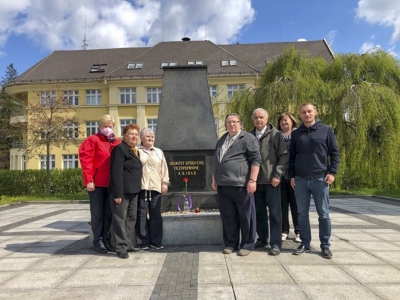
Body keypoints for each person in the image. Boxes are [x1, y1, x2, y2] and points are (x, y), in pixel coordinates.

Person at [289, 103, 340, 259]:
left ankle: (325, 245)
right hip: (301, 179)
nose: (307, 114)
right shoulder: (296, 134)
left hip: (320, 178)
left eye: (309, 111)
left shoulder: (326, 130)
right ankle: (305, 243)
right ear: (300, 115)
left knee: (323, 214)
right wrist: (292, 175)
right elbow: (292, 157)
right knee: (302, 214)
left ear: (315, 112)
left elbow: (335, 153)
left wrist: (332, 172)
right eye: (303, 112)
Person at [212, 113, 261, 256]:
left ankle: (247, 244)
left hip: (241, 185)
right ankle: (230, 243)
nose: (231, 124)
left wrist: (252, 180)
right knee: (228, 217)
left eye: (234, 122)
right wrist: (214, 178)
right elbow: (217, 160)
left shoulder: (247, 138)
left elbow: (256, 160)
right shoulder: (222, 140)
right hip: (223, 185)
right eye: (228, 122)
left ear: (241, 124)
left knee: (246, 216)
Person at [79, 114, 120, 254]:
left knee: (108, 213)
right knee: (97, 214)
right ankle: (98, 241)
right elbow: (86, 161)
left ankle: (107, 239)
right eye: (105, 126)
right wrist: (89, 179)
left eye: (110, 126)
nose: (107, 128)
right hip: (97, 184)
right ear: (99, 127)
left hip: (111, 184)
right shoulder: (92, 140)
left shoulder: (116, 142)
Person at [250, 108, 288, 256]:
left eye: (261, 117)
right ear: (253, 120)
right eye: (256, 118)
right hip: (255, 182)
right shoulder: (249, 135)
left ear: (266, 119)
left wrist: (278, 175)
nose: (259, 120)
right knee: (259, 212)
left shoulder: (275, 135)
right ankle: (262, 239)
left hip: (272, 181)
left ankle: (276, 243)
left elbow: (284, 156)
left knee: (275, 214)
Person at [109, 124, 142, 259]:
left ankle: (127, 243)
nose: (134, 136)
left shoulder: (133, 150)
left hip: (133, 191)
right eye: (131, 134)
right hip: (121, 192)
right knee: (120, 219)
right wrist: (118, 194)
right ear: (124, 135)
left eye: (136, 134)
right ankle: (120, 248)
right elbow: (116, 173)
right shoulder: (120, 149)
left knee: (131, 218)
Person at [136, 128, 169, 250]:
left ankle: (156, 241)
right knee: (141, 214)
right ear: (142, 138)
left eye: (152, 137)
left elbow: (164, 168)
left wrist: (164, 183)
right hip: (141, 187)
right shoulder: (136, 151)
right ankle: (144, 242)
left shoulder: (159, 152)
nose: (150, 139)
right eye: (148, 136)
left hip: (155, 187)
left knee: (155, 214)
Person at [276, 112, 301, 243]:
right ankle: (284, 230)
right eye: (281, 121)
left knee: (296, 205)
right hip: (280, 176)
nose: (283, 123)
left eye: (286, 120)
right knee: (282, 205)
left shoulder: (298, 135)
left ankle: (299, 231)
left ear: (292, 121)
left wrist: (295, 174)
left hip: (295, 176)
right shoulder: (276, 136)